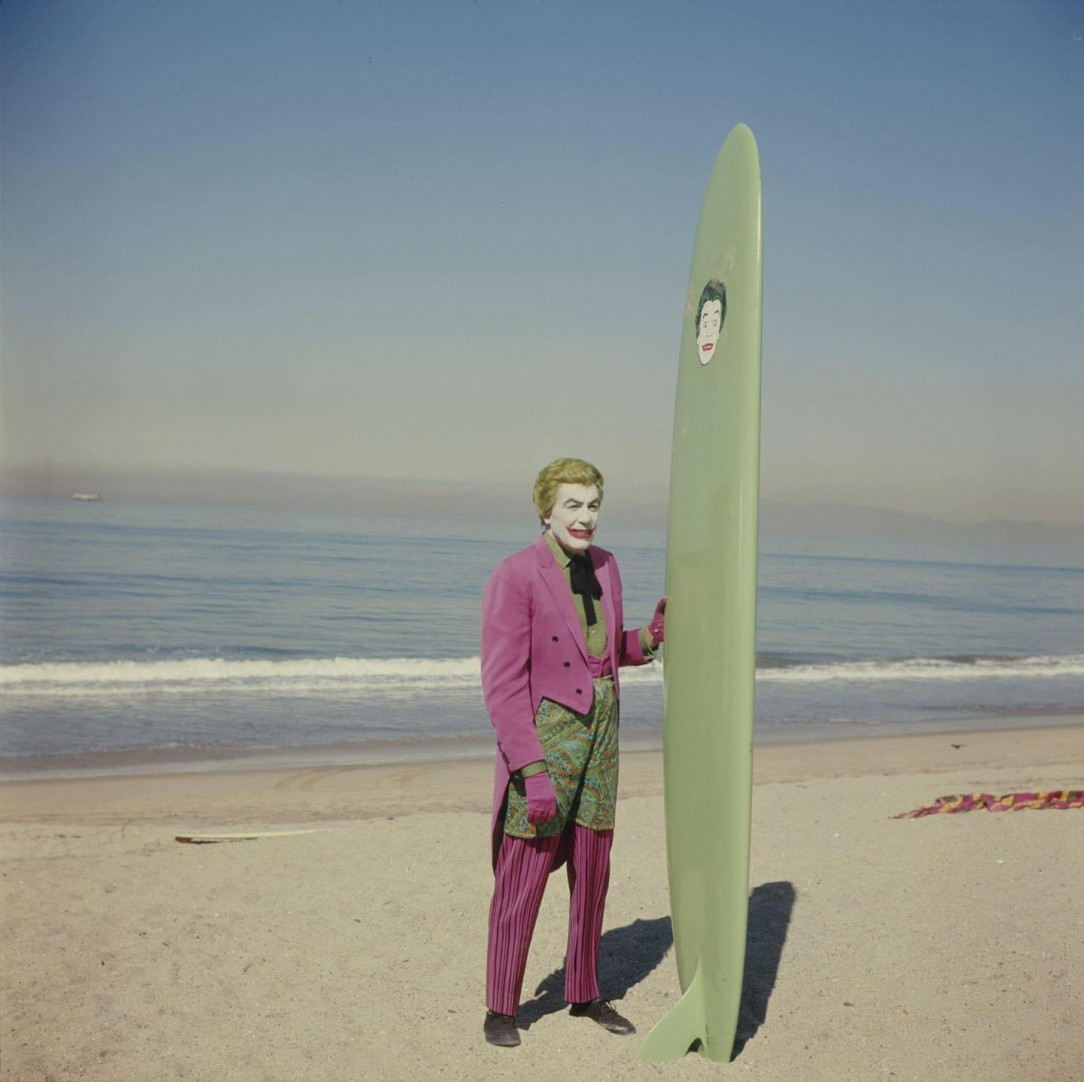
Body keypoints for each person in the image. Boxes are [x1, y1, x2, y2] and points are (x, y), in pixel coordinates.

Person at [481, 457, 666, 1048]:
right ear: (545, 509)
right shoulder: (516, 573)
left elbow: (603, 651)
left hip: (604, 736)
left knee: (594, 868)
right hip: (548, 738)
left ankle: (584, 993)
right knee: (524, 871)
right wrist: (530, 769)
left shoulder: (608, 567)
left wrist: (649, 639)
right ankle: (501, 1007)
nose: (585, 518)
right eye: (572, 506)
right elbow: (502, 683)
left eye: (592, 506)